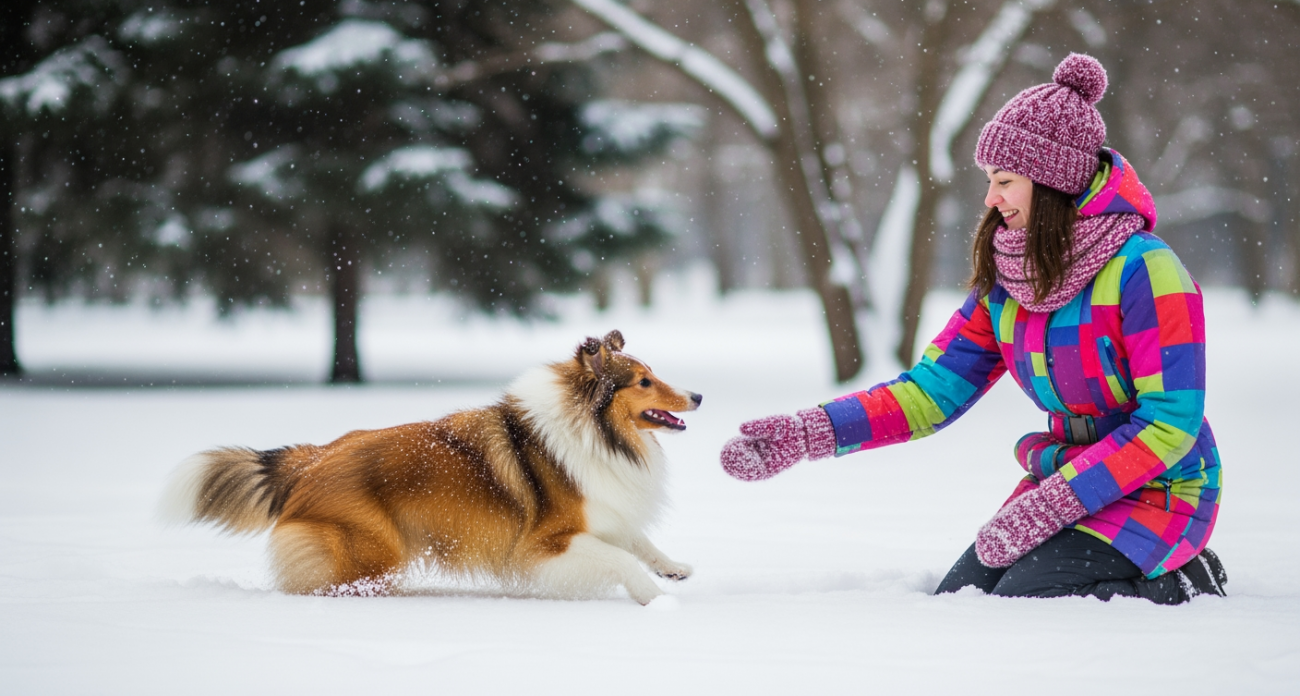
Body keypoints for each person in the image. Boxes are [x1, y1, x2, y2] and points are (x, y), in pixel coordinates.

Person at [719, 53, 1226, 605]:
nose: (991, 199)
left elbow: (1171, 424)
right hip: (1062, 479)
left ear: (1053, 182)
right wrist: (812, 432)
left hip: (1162, 487)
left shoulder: (1146, 270)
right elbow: (929, 394)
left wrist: (1055, 503)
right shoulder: (1011, 280)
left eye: (1005, 181)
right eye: (989, 181)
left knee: (1031, 599)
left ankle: (1187, 576)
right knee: (965, 596)